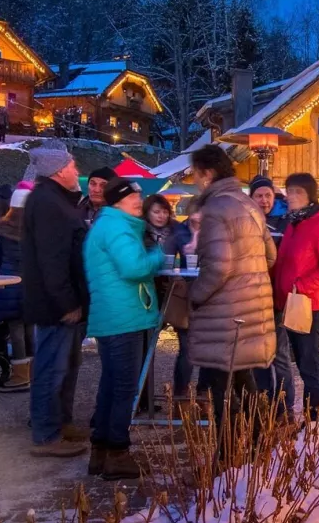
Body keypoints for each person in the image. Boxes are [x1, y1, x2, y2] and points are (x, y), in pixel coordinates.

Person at [186, 144, 276, 454]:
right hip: (253, 306)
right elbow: (271, 255)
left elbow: (219, 267)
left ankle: (226, 456)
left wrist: (195, 296)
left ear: (207, 174)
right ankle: (257, 441)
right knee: (241, 377)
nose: (195, 180)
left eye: (196, 174)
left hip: (225, 311)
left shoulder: (214, 209)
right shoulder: (248, 204)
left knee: (219, 387)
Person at [84, 177, 165, 480]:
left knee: (111, 385)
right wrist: (158, 255)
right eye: (135, 195)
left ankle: (100, 452)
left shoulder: (110, 224)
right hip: (123, 318)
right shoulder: (117, 227)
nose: (140, 200)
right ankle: (118, 452)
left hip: (115, 317)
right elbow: (133, 268)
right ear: (119, 200)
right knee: (124, 389)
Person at [21, 145, 90, 457]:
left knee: (66, 366)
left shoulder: (55, 200)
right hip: (56, 305)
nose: (77, 171)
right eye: (73, 166)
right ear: (59, 170)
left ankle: (61, 422)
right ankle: (47, 434)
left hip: (64, 300)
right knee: (52, 368)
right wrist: (66, 303)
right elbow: (53, 259)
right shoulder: (49, 203)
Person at [272, 173, 319, 421]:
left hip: (310, 304)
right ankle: (313, 420)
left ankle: (316, 421)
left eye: (297, 192)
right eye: (289, 191)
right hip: (292, 303)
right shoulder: (293, 223)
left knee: (309, 365)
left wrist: (301, 285)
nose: (291, 196)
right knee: (301, 363)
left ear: (310, 196)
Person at [248, 175, 293, 411]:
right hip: (253, 297)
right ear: (252, 198)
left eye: (267, 195)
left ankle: (284, 410)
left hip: (276, 297)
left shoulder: (285, 221)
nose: (264, 200)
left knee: (280, 356)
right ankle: (263, 404)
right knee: (257, 356)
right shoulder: (247, 220)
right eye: (259, 195)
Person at [145, 193, 194, 399]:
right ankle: (143, 399)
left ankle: (181, 394)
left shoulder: (177, 230)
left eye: (165, 211)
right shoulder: (139, 232)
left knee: (187, 344)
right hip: (147, 293)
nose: (161, 216)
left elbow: (190, 251)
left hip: (174, 292)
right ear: (147, 213)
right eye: (156, 211)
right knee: (145, 349)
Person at [0, 184, 32, 390]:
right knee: (32, 328)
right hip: (33, 284)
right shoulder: (38, 229)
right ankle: (36, 371)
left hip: (10, 283)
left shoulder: (1, 229)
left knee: (16, 329)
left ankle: (21, 376)